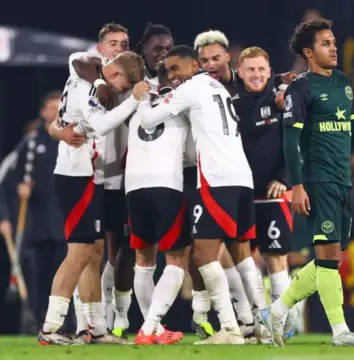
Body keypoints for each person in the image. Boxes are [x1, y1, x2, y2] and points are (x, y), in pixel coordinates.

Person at [258, 17, 354, 347]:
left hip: (342, 179)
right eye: (326, 44)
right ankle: (340, 331)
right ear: (309, 52)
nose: (334, 48)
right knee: (328, 257)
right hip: (317, 179)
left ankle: (276, 309)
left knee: (328, 259)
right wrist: (298, 185)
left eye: (334, 42)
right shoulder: (301, 89)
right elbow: (290, 141)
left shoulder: (343, 83)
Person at [138, 45, 260, 345]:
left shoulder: (190, 88)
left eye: (175, 69)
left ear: (193, 66)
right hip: (243, 176)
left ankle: (230, 329)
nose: (171, 75)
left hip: (217, 179)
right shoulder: (217, 86)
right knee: (241, 253)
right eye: (168, 71)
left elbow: (149, 121)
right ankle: (261, 323)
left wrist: (141, 100)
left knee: (204, 254)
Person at [38, 51, 147, 345]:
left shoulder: (82, 76)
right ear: (113, 75)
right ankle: (50, 327)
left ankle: (96, 328)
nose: (119, 93)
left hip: (89, 176)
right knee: (79, 253)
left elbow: (76, 57)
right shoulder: (86, 89)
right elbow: (100, 126)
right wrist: (135, 101)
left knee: (92, 254)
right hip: (76, 177)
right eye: (122, 86)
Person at [232, 46, 299, 339]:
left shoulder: (282, 98)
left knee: (276, 257)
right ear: (240, 72)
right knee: (243, 259)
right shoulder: (230, 101)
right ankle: (254, 323)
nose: (256, 74)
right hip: (241, 191)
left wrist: (284, 178)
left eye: (261, 69)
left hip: (273, 191)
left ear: (269, 71)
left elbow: (294, 140)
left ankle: (281, 325)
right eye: (250, 69)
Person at [0, 94, 69, 333]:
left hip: (65, 223)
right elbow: (5, 183)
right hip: (36, 225)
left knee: (65, 276)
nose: (55, 113)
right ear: (43, 112)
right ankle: (35, 323)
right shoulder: (30, 143)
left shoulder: (71, 140)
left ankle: (68, 324)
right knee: (37, 277)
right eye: (51, 108)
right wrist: (18, 193)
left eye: (60, 108)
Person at [127, 67, 189, 346]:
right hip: (166, 185)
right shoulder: (181, 104)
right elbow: (190, 154)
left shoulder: (135, 104)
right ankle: (149, 328)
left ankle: (154, 329)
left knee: (143, 262)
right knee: (176, 260)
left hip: (134, 186)